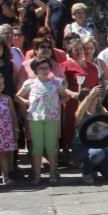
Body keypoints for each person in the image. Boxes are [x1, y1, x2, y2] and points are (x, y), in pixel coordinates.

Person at [16, 57, 71, 185]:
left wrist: (57, 103)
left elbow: (65, 97)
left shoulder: (56, 82)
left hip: (52, 118)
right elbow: (17, 95)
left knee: (51, 146)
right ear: (35, 70)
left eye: (47, 68)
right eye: (41, 68)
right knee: (37, 147)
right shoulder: (30, 83)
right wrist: (26, 102)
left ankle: (53, 173)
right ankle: (36, 175)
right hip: (35, 118)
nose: (45, 70)